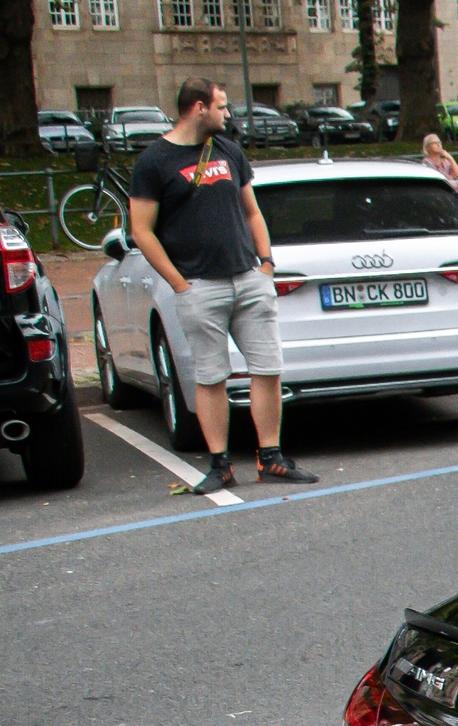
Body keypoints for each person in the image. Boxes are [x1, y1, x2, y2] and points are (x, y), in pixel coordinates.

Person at [127, 77, 318, 494]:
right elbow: (141, 230)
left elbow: (252, 211)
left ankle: (271, 459)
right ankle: (220, 465)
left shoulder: (228, 150)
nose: (227, 114)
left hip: (248, 277)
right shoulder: (154, 161)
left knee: (268, 369)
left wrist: (265, 263)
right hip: (199, 285)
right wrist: (180, 285)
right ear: (198, 108)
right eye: (222, 106)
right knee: (211, 376)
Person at [422, 132, 458, 206]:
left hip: (451, 184)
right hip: (441, 186)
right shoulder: (426, 162)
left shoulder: (445, 161)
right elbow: (441, 177)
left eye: (439, 142)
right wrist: (451, 177)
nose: (439, 145)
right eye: (434, 143)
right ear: (427, 147)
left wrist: (450, 158)